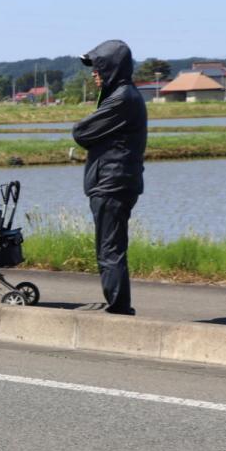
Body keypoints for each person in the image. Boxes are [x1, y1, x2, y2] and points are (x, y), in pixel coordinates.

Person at [72, 39, 146, 316]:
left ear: (112, 68)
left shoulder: (122, 99)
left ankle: (118, 310)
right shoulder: (123, 95)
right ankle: (118, 304)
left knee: (109, 250)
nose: (93, 73)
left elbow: (81, 132)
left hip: (112, 183)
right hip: (114, 180)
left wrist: (91, 135)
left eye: (98, 67)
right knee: (111, 247)